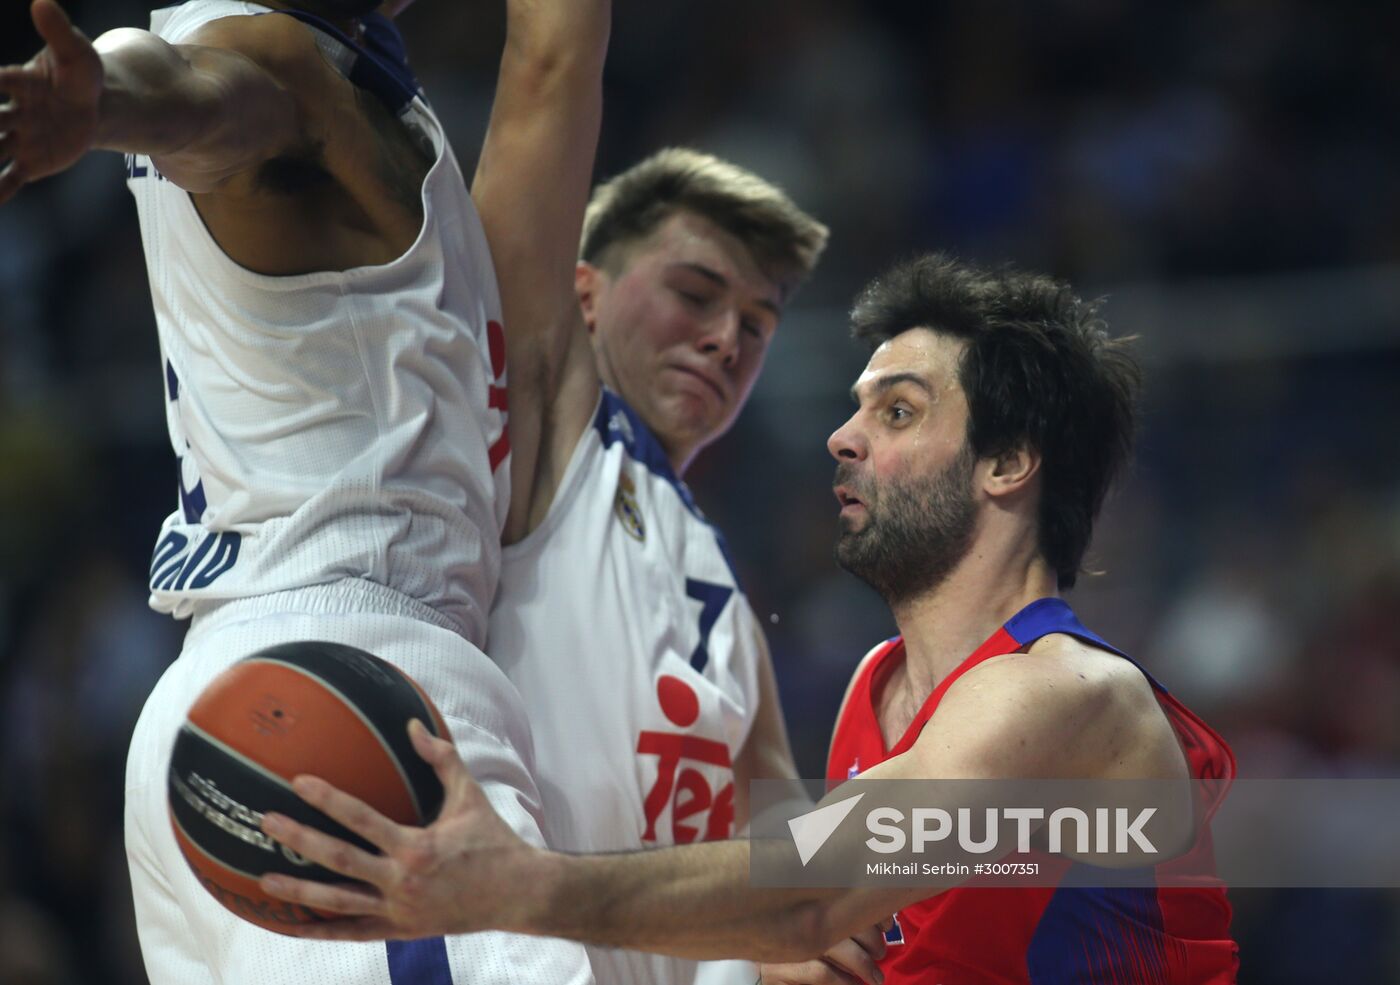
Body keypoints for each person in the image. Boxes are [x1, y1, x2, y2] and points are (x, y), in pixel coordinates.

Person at [255, 252, 1241, 983]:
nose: (841, 436)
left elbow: (809, 890)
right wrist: (778, 957)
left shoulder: (1062, 688)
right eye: (857, 407)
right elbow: (806, 915)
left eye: (895, 412)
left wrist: (512, 884)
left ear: (1006, 462)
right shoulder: (877, 683)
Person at [0, 0, 606, 982]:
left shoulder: (364, 91)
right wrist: (106, 99)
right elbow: (201, 95)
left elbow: (550, 63)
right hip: (350, 703)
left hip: (231, 702)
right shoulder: (274, 56)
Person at [491, 147, 844, 985]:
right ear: (584, 293)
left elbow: (784, 850)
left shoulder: (724, 589)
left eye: (757, 325)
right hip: (506, 948)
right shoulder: (555, 430)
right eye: (694, 295)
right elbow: (544, 102)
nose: (726, 339)